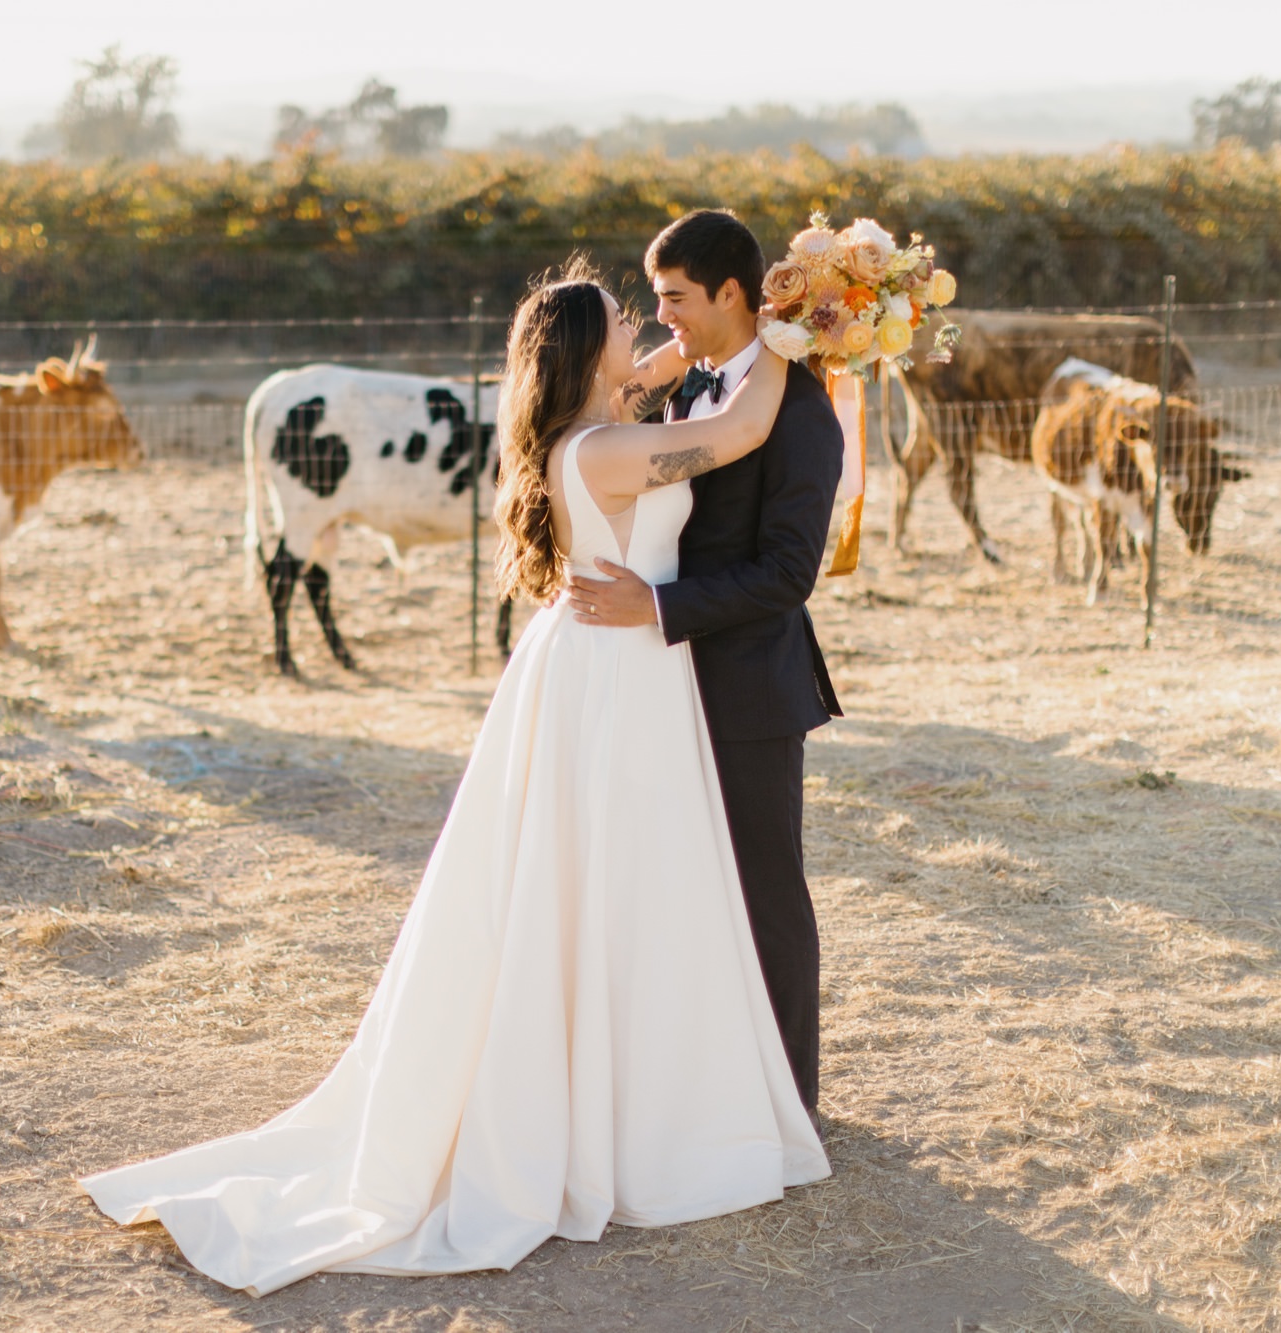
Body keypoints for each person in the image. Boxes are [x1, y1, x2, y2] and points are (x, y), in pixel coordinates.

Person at [79, 262, 830, 1298]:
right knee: (611, 881)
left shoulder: (589, 431)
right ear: (584, 353)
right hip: (617, 681)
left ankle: (610, 1084)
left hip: (599, 666)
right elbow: (740, 432)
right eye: (621, 319)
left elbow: (658, 375)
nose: (638, 328)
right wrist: (793, 334)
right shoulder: (608, 449)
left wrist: (707, 342)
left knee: (591, 884)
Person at [571, 209, 844, 1124]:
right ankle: (715, 1081)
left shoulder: (800, 407)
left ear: (733, 292)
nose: (664, 318)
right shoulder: (693, 395)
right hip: (665, 687)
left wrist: (656, 609)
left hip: (749, 691)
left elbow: (787, 572)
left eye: (677, 298)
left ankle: (789, 1105)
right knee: (688, 895)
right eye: (652, 301)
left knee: (766, 896)